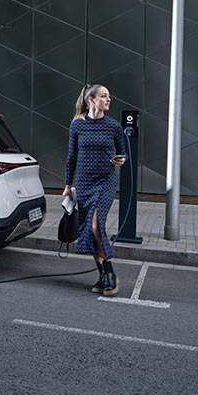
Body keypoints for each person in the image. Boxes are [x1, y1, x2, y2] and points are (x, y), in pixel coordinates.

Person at [63, 84, 126, 296]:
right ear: (91, 100)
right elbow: (71, 157)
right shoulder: (77, 125)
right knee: (90, 229)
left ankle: (110, 273)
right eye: (103, 96)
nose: (108, 99)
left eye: (109, 96)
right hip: (83, 182)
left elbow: (123, 152)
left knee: (95, 223)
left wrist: (121, 160)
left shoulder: (114, 126)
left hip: (105, 181)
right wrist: (67, 185)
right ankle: (104, 275)